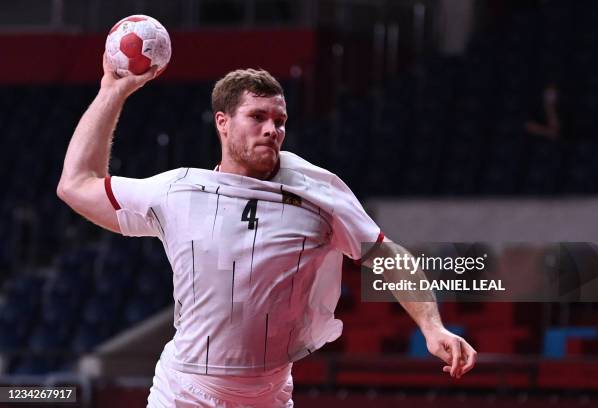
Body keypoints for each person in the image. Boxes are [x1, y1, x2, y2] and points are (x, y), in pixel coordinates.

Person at [57, 53, 477, 407]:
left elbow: (387, 255)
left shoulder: (319, 190)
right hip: (184, 389)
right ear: (222, 122)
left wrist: (432, 325)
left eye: (279, 119)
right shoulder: (178, 190)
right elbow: (76, 185)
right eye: (257, 117)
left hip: (269, 393)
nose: (271, 129)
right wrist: (112, 92)